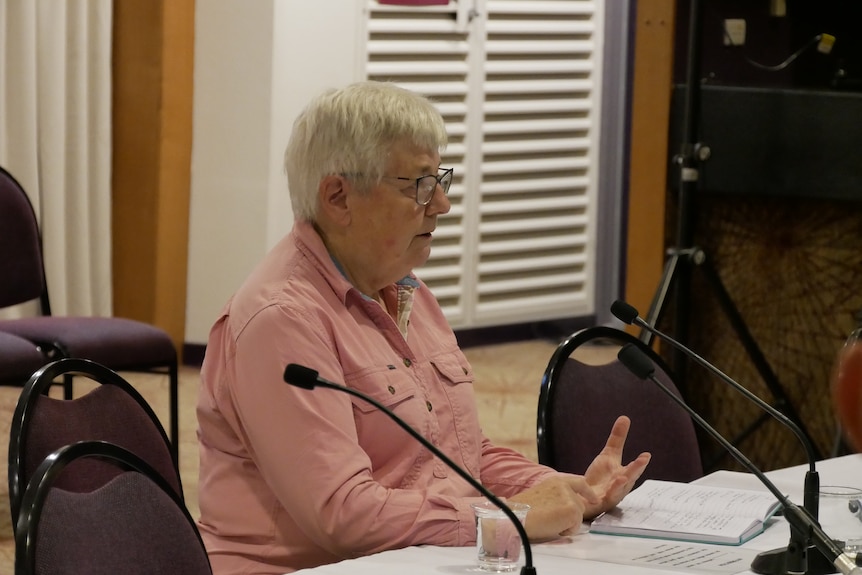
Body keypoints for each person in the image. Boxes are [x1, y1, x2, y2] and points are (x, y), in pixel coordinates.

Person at [195, 81, 651, 575]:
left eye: (441, 179)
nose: (441, 204)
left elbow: (458, 455)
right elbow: (342, 514)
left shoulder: (408, 291)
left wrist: (566, 491)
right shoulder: (282, 319)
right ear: (338, 197)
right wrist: (507, 515)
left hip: (414, 561)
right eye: (418, 185)